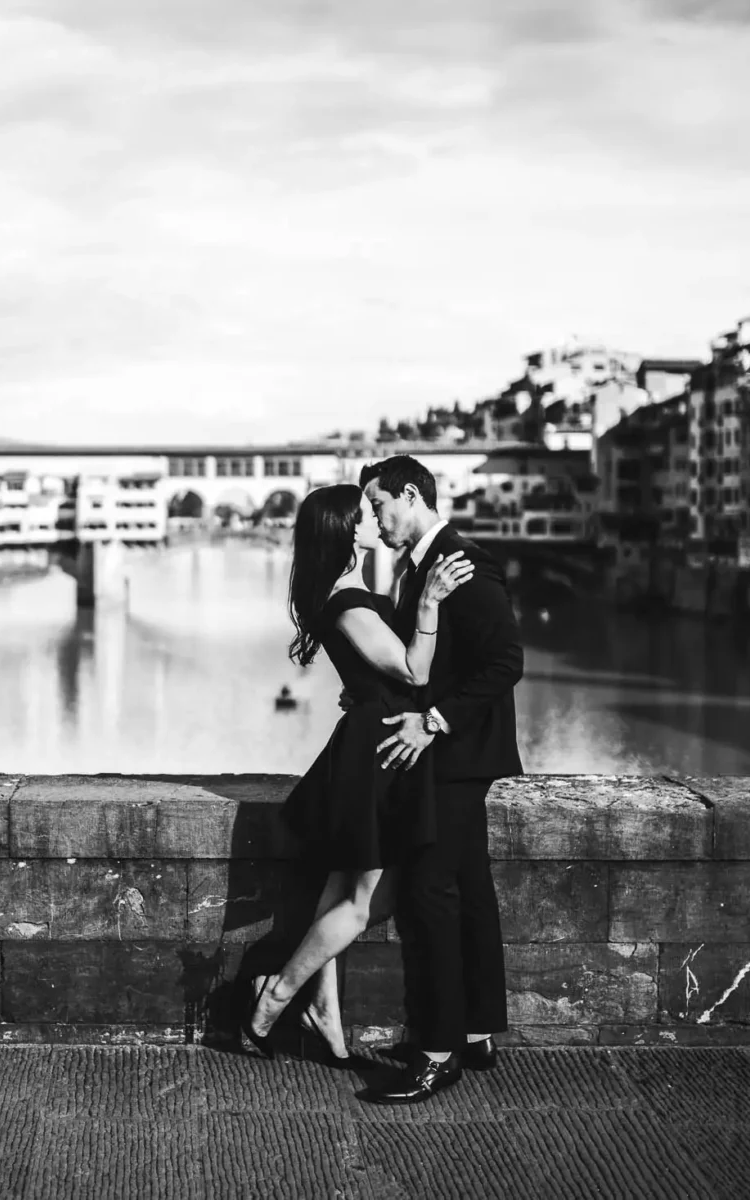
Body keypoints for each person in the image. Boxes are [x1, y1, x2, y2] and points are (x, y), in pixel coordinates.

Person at [245, 483, 474, 1062]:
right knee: (366, 899)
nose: (376, 515)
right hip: (378, 754)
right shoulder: (346, 602)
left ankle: (325, 1011)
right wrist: (429, 605)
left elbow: (379, 673)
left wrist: (367, 686)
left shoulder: (348, 590)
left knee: (339, 892)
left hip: (373, 742)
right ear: (346, 528)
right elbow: (413, 672)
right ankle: (273, 998)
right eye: (365, 511)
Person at [359, 454, 523, 1105]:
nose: (375, 519)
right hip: (461, 758)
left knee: (429, 896)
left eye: (379, 505)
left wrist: (433, 721)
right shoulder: (426, 564)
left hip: (453, 757)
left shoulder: (461, 564)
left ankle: (434, 1052)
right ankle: (476, 1032)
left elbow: (507, 660)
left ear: (409, 494)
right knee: (469, 892)